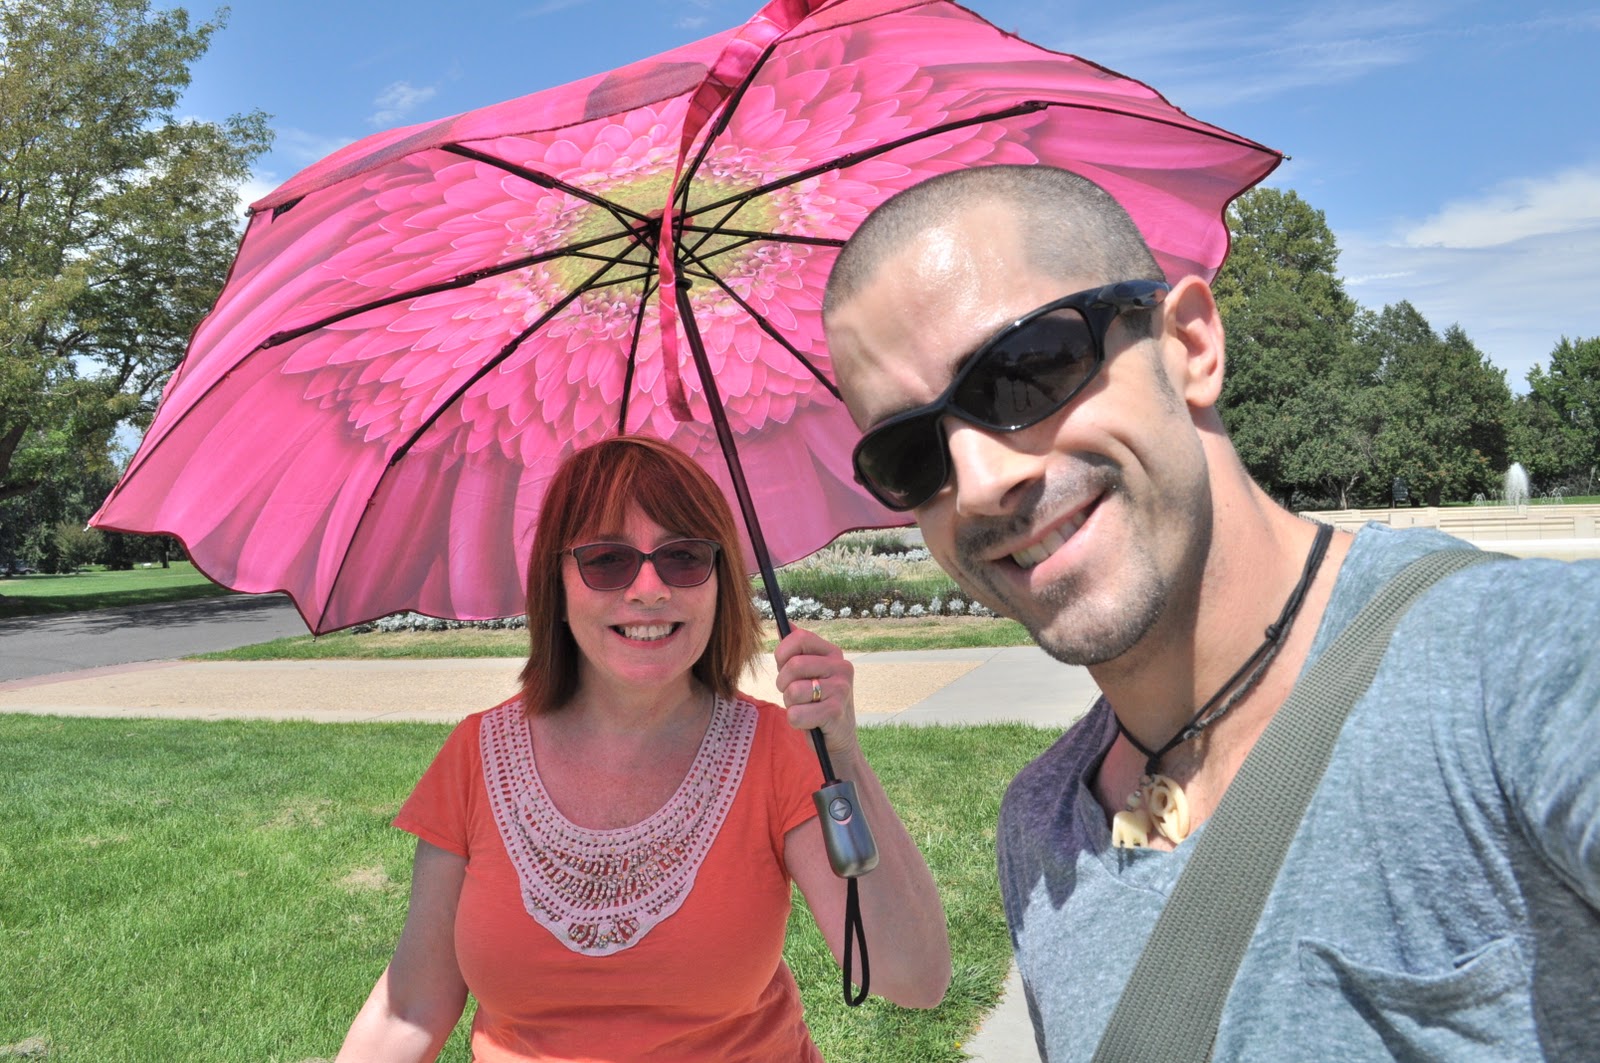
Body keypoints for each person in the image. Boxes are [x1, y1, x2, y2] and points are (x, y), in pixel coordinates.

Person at [821, 164, 1600, 1060]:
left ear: (1190, 345)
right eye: (912, 454)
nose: (981, 483)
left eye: (1022, 372)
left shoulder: (1511, 669)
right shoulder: (1041, 829)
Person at [336, 435, 951, 1062]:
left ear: (719, 581)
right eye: (607, 560)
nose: (650, 589)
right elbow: (412, 1005)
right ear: (557, 583)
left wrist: (841, 754)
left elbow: (913, 978)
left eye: (683, 557)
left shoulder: (774, 750)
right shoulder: (475, 756)